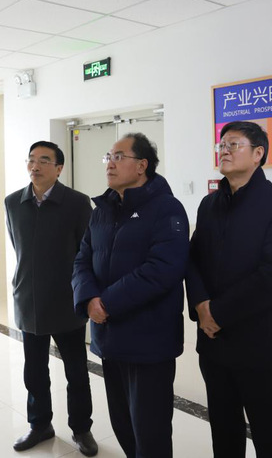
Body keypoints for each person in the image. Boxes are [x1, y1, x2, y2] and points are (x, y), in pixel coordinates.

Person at [72, 132, 189, 458]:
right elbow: (82, 259)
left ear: (142, 166)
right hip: (110, 338)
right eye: (108, 157)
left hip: (149, 342)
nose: (110, 163)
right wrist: (88, 299)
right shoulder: (102, 209)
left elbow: (162, 269)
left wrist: (106, 302)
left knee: (150, 432)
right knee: (122, 424)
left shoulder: (166, 209)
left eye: (118, 156)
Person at [186, 121, 272, 458]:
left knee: (267, 430)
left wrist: (216, 313)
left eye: (233, 144)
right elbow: (192, 260)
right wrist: (201, 306)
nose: (224, 150)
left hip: (259, 343)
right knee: (223, 428)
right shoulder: (209, 204)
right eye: (221, 145)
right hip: (213, 341)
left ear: (258, 153)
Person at [4, 141, 97, 456]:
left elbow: (87, 252)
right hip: (29, 300)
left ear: (59, 168)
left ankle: (81, 428)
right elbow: (19, 248)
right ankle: (40, 424)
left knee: (76, 371)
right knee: (34, 371)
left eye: (44, 160)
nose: (36, 166)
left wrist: (86, 294)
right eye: (31, 159)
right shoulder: (13, 202)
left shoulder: (77, 203)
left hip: (67, 300)